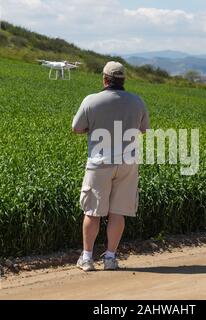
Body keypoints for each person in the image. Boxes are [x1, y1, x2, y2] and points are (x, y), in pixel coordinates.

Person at [72, 61, 150, 271]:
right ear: (123, 80)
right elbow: (144, 130)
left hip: (100, 162)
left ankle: (87, 258)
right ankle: (110, 258)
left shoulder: (92, 100)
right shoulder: (137, 101)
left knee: (92, 211)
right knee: (118, 212)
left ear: (105, 79)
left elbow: (77, 128)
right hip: (128, 163)